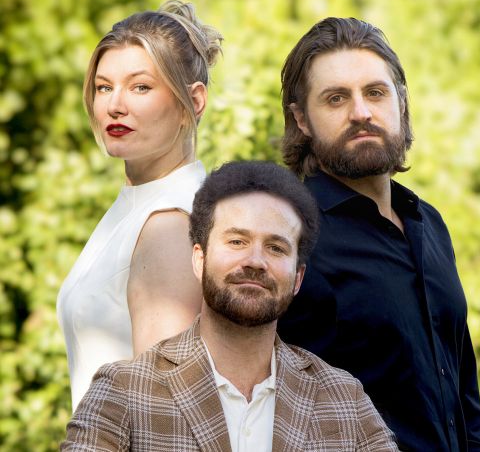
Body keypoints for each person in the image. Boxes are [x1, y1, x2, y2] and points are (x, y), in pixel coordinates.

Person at [61, 161, 398, 451]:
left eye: (276, 248)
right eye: (237, 241)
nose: (255, 261)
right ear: (199, 259)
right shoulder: (124, 391)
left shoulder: (345, 400)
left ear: (298, 278)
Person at [276, 17, 480, 452]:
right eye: (336, 98)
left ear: (401, 102)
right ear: (302, 119)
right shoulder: (287, 234)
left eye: (376, 92)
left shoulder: (428, 223)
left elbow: (462, 395)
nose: (361, 113)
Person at [57, 0, 223, 411]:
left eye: (140, 87)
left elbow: (164, 412)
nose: (115, 105)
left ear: (194, 101)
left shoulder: (169, 223)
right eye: (104, 87)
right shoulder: (141, 203)